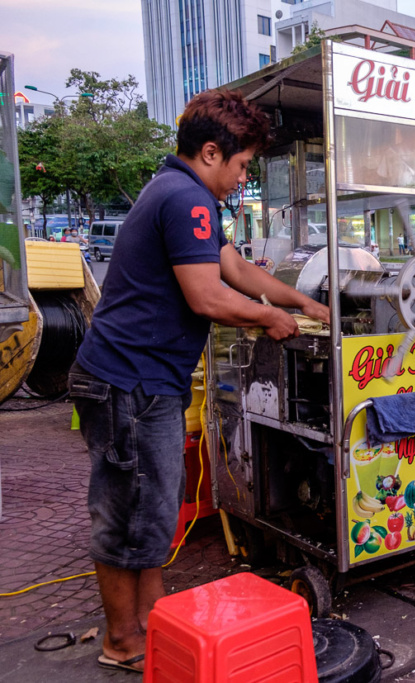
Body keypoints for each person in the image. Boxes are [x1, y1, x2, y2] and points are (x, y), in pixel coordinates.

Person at [68, 90, 330, 674]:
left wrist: (307, 305)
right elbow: (209, 295)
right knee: (126, 513)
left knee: (150, 512)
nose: (242, 179)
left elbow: (237, 270)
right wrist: (270, 318)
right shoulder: (185, 198)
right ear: (211, 153)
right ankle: (123, 643)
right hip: (128, 384)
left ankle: (155, 626)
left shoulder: (183, 194)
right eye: (240, 166)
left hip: (141, 382)